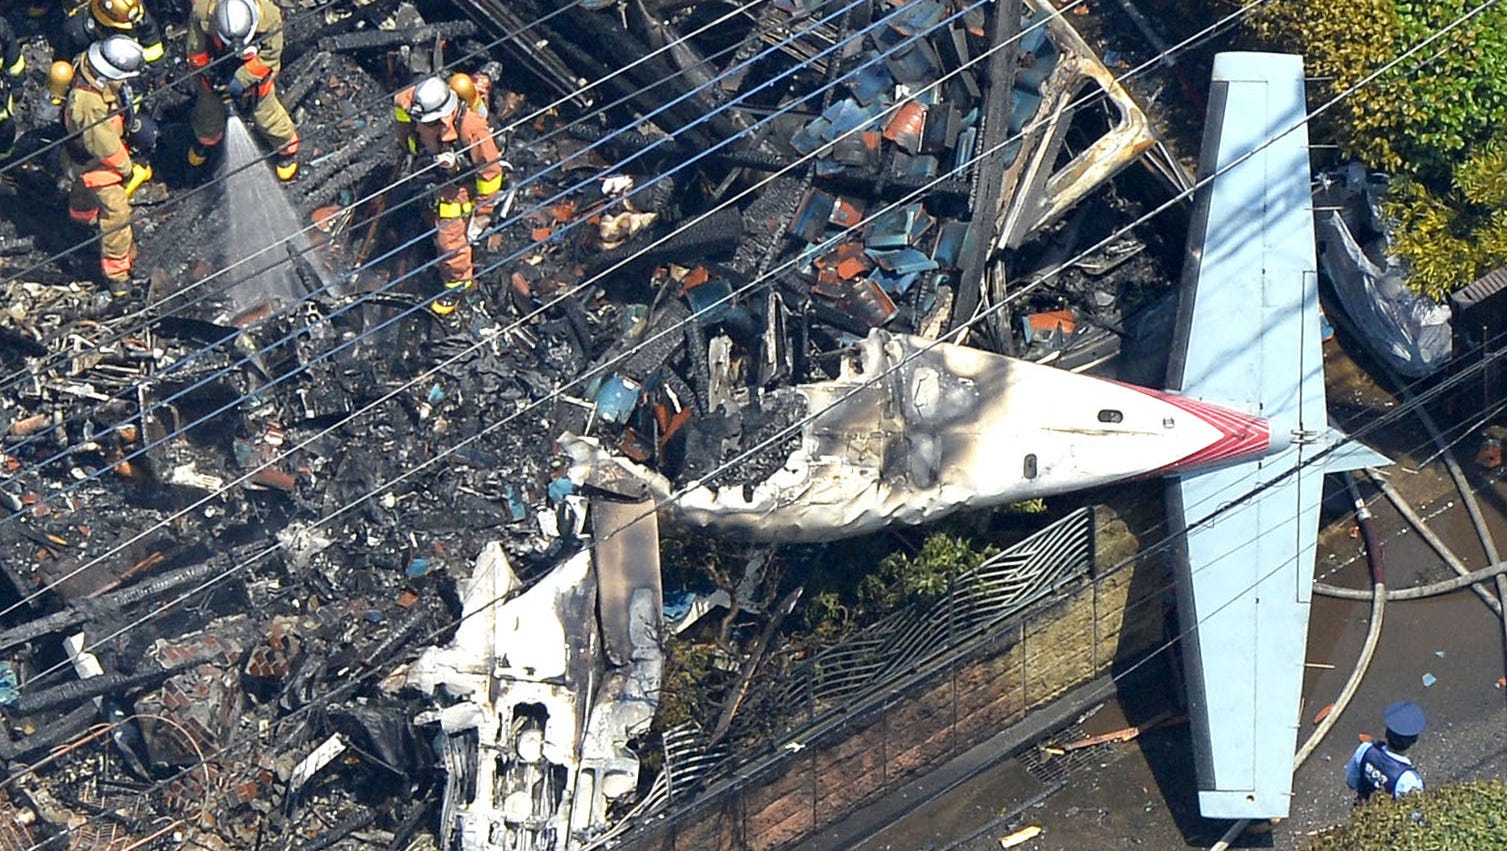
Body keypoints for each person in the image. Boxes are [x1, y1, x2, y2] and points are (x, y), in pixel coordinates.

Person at [393, 75, 505, 316]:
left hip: (459, 184)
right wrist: (406, 142)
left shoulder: (472, 129)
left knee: (449, 240)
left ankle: (458, 284)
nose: (424, 127)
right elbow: (401, 107)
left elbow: (491, 174)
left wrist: (482, 215)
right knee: (426, 209)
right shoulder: (411, 102)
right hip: (430, 167)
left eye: (431, 124)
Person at [62, 35, 153, 295]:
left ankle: (80, 220)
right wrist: (126, 168)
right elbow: (103, 145)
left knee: (82, 189)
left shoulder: (88, 67)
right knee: (116, 212)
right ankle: (117, 275)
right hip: (95, 162)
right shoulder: (89, 104)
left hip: (80, 158)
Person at [185, 0, 299, 180]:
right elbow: (195, 49)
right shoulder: (202, 12)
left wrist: (242, 79)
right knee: (207, 112)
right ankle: (207, 140)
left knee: (266, 113)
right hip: (216, 62)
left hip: (255, 68)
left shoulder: (269, 16)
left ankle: (286, 149)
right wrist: (208, 74)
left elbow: (270, 56)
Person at [1346, 700, 1426, 802]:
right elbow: (1415, 814)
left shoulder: (1365, 749)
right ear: (1414, 740)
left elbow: (1351, 782)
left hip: (1361, 810)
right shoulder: (1409, 780)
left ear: (1387, 732)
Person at [60, 0, 166, 68]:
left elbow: (152, 41)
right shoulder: (77, 31)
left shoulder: (135, 15)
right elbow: (64, 60)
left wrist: (154, 68)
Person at [0, 14, 26, 160]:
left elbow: (14, 61)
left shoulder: (1, 28)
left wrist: (17, 84)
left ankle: (5, 162)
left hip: (2, 108)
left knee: (6, 132)